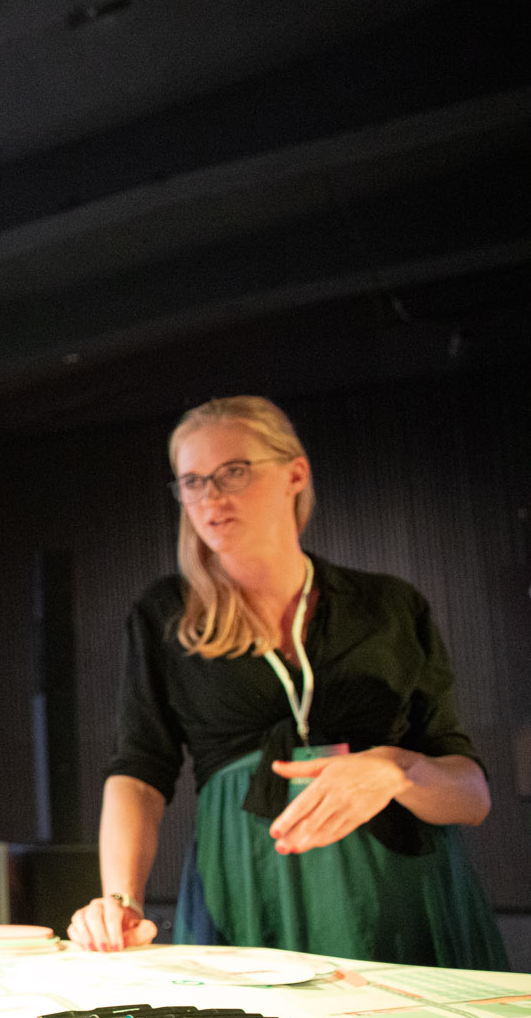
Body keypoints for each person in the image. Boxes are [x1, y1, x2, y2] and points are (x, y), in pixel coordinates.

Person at [70, 396, 504, 968]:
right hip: (248, 886)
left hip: (399, 892)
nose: (211, 498)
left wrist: (396, 769)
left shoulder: (388, 606)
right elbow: (139, 772)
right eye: (192, 482)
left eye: (233, 472)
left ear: (295, 473)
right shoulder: (166, 616)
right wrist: (119, 899)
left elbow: (471, 797)